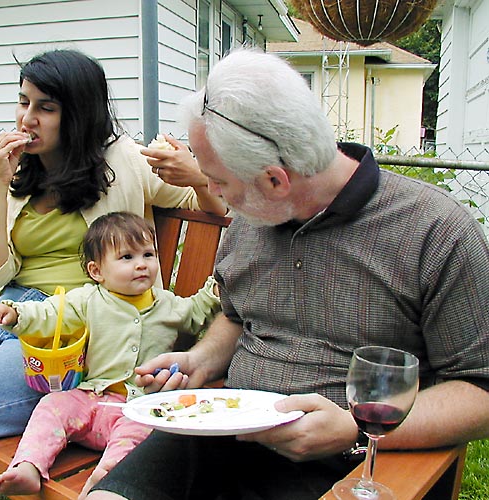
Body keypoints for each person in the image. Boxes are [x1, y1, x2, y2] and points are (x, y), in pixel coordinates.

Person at [87, 48, 489, 500]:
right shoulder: (253, 218)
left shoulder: (436, 231)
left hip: (358, 465)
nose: (211, 192)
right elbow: (237, 316)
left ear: (276, 180)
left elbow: (480, 391)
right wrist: (199, 360)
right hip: (223, 433)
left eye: (217, 181)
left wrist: (355, 428)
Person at [0, 49, 225, 500]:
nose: (27, 118)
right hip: (7, 306)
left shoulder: (123, 160)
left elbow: (210, 205)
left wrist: (200, 178)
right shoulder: (12, 172)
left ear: (78, 115)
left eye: (45, 108)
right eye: (23, 102)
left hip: (77, 327)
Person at [0, 211, 220, 497]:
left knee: (140, 433)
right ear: (97, 272)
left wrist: (214, 291)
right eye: (127, 258)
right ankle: (29, 466)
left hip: (135, 407)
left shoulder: (168, 305)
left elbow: (196, 313)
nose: (141, 265)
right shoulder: (87, 300)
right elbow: (50, 313)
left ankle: (106, 478)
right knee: (51, 406)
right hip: (88, 397)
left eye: (148, 254)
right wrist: (15, 312)